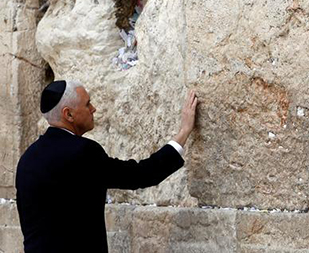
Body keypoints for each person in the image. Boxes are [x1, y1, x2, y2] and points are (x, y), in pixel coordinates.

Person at [15, 80, 198, 253]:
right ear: (68, 114)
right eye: (87, 104)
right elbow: (141, 174)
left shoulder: (27, 159)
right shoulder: (82, 153)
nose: (93, 109)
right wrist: (183, 132)